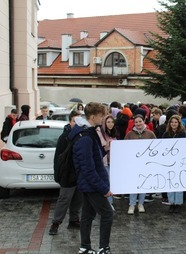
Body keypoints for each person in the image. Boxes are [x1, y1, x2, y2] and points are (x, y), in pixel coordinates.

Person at [69, 102, 113, 254]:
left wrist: (104, 149)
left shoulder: (89, 132)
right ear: (93, 116)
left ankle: (85, 248)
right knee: (107, 213)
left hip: (88, 184)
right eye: (101, 116)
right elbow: (88, 169)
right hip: (91, 184)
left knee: (88, 215)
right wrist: (104, 189)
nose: (103, 119)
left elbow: (94, 157)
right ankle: (103, 249)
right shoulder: (85, 137)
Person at [49, 110, 83, 236]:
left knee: (78, 200)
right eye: (74, 120)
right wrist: (58, 174)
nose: (76, 123)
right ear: (70, 122)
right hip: (67, 174)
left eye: (79, 121)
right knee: (64, 199)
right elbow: (58, 157)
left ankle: (74, 220)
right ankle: (55, 223)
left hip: (79, 174)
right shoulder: (64, 137)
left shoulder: (82, 135)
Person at [124, 114, 156, 214]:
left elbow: (156, 146)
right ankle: (132, 204)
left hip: (145, 164)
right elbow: (124, 147)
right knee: (133, 184)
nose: (138, 124)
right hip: (133, 164)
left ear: (144, 121)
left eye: (140, 121)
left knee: (143, 184)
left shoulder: (150, 134)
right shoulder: (130, 134)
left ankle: (141, 203)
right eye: (136, 122)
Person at [162, 114, 186, 213]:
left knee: (178, 182)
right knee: (170, 182)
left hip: (179, 162)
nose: (173, 124)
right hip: (169, 162)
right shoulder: (166, 134)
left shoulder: (183, 133)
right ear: (169, 123)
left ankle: (178, 203)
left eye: (175, 122)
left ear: (179, 123)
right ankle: (171, 202)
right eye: (172, 122)